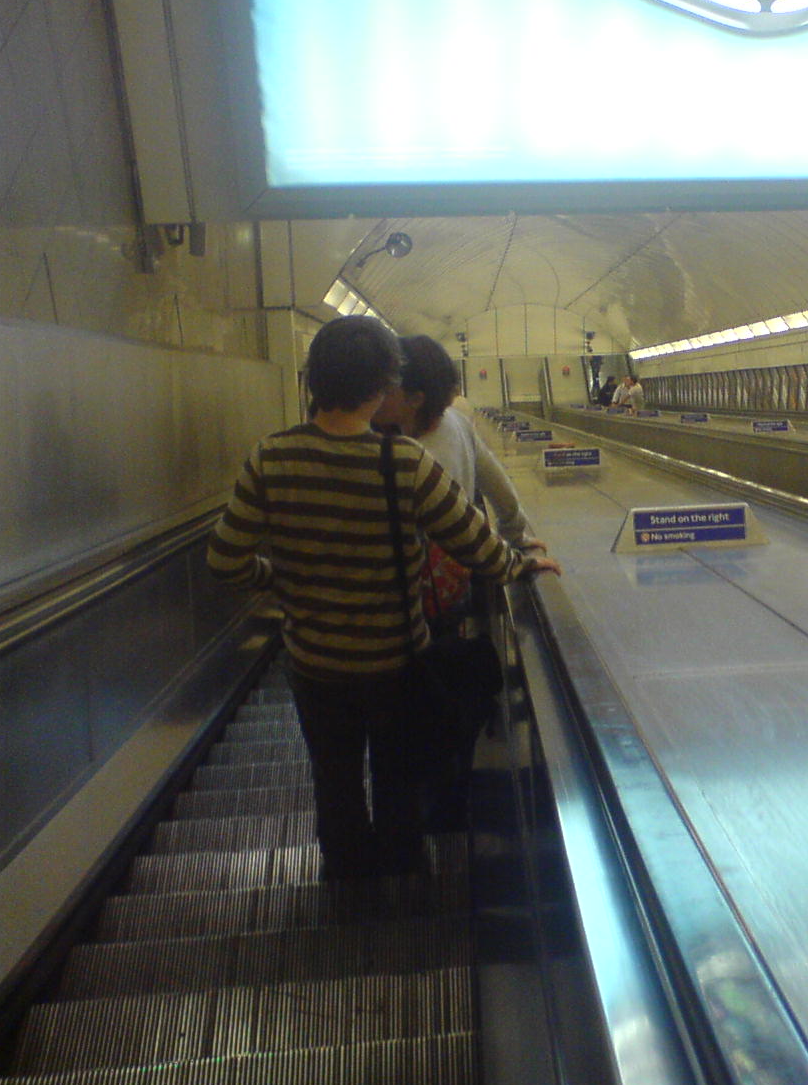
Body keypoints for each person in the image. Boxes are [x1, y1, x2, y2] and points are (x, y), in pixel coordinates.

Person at [207, 317, 561, 879]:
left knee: (335, 779)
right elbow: (474, 544)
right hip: (394, 660)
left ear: (312, 381)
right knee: (398, 777)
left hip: (314, 663)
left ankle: (351, 889)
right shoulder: (403, 462)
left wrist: (284, 579)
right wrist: (521, 563)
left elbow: (224, 560)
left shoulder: (269, 458)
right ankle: (406, 880)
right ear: (380, 388)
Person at [376, 335, 545, 626]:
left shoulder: (415, 457)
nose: (376, 395)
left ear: (415, 399)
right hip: (453, 589)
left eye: (387, 387)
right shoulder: (457, 421)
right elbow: (500, 487)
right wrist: (516, 536)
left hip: (415, 604)